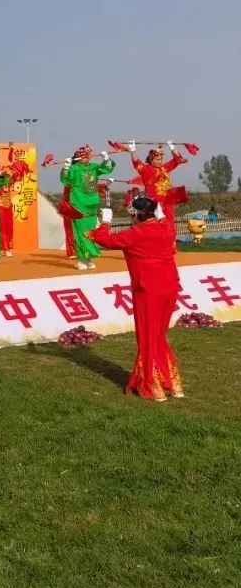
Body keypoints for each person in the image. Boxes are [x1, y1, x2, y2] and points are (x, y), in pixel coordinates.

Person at [89, 194, 183, 402]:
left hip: (148, 290)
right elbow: (164, 222)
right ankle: (173, 384)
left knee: (148, 335)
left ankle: (153, 385)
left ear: (136, 215)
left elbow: (105, 240)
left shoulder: (136, 233)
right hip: (169, 287)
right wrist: (160, 215)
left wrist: (105, 222)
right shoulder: (166, 228)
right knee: (158, 335)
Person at [60, 145, 115, 271]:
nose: (85, 158)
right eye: (82, 156)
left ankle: (88, 258)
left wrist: (106, 159)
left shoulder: (93, 167)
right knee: (80, 232)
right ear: (77, 158)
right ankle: (81, 259)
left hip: (92, 203)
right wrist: (66, 167)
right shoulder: (74, 168)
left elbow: (107, 169)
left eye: (87, 155)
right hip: (79, 203)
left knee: (91, 231)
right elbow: (64, 179)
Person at [128, 141, 187, 237]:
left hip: (167, 202)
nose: (160, 161)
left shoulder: (164, 168)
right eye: (157, 159)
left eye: (161, 159)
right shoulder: (146, 169)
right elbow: (136, 162)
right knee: (154, 225)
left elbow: (177, 159)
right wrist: (132, 150)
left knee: (169, 224)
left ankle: (170, 242)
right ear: (151, 160)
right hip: (154, 203)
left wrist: (172, 148)